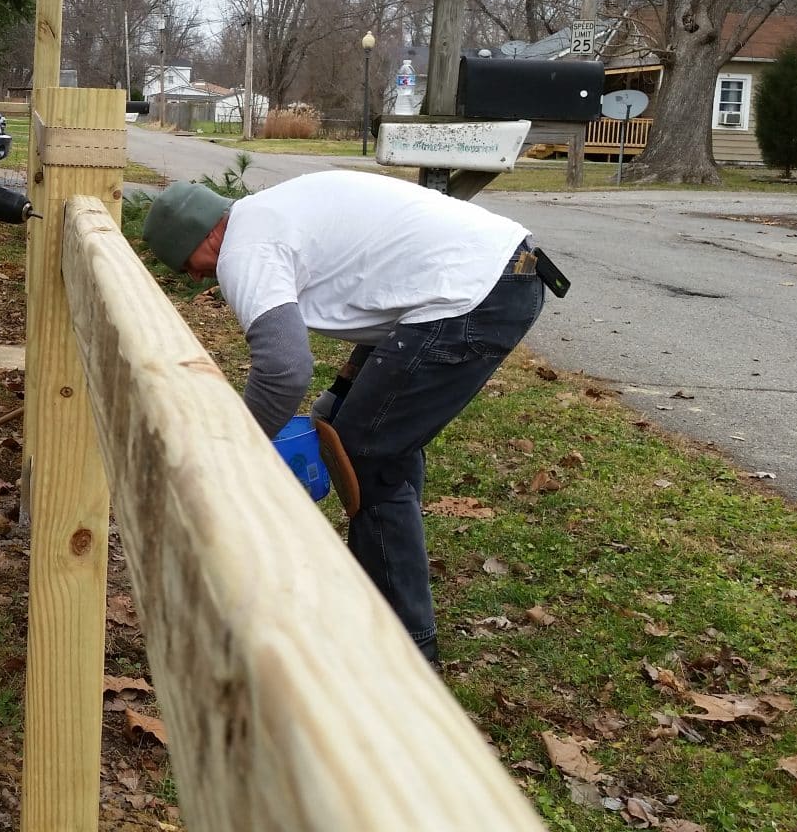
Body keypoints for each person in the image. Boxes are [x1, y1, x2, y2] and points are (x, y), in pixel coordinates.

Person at [140, 170, 556, 665]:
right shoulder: (272, 212)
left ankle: (404, 652)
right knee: (342, 420)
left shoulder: (244, 250)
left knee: (367, 455)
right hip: (497, 271)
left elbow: (283, 370)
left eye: (187, 263)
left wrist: (237, 456)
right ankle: (384, 582)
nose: (194, 278)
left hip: (476, 293)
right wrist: (342, 388)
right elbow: (380, 284)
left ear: (205, 234)